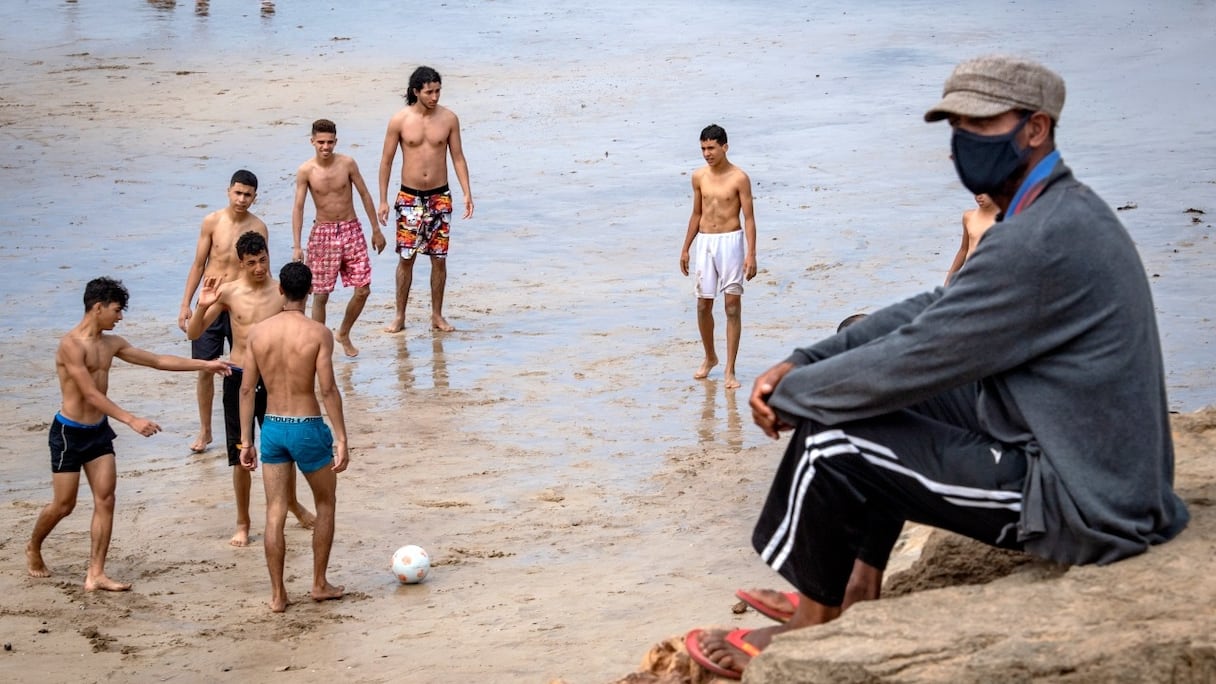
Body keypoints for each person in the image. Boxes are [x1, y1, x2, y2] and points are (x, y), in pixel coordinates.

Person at [684, 55, 1190, 680]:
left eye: (980, 126)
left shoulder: (1042, 238)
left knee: (833, 438)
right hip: (1078, 453)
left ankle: (817, 623)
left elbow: (925, 356)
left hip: (1084, 502)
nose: (962, 145)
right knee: (850, 348)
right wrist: (807, 360)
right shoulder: (1051, 212)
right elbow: (939, 307)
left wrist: (796, 395)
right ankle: (855, 588)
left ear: (1035, 129)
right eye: (955, 128)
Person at [28, 277, 232, 590]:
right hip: (69, 433)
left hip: (98, 433)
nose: (120, 317)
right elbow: (89, 395)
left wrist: (204, 364)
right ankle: (35, 547)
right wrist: (131, 420)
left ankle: (96, 573)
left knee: (106, 499)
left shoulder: (112, 343)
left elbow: (157, 360)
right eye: (117, 310)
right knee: (63, 505)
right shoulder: (71, 345)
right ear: (98, 308)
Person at [187, 231, 315, 546]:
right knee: (240, 453)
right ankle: (242, 522)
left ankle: (293, 504)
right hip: (238, 375)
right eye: (252, 263)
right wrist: (201, 306)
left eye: (263, 260)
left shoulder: (281, 292)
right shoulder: (229, 293)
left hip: (274, 378)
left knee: (282, 449)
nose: (259, 268)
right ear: (241, 264)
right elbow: (194, 333)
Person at [239, 262, 349, 613]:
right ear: (309, 290)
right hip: (307, 425)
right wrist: (342, 437)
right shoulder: (318, 333)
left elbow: (245, 390)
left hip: (272, 425)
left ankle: (277, 595)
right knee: (325, 504)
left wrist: (246, 441)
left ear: (281, 291)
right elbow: (328, 388)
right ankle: (318, 583)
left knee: (274, 511)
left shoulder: (257, 334)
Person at [378, 65, 474, 334]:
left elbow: (457, 157)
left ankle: (437, 315)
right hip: (409, 197)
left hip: (439, 197)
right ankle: (399, 316)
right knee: (406, 258)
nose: (435, 97)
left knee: (439, 259)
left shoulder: (449, 119)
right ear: (415, 91)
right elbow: (386, 162)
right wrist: (383, 200)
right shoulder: (399, 120)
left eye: (438, 91)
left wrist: (467, 191)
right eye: (429, 92)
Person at [177, 169, 267, 453]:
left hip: (241, 301)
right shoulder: (212, 221)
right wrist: (186, 304)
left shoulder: (258, 227)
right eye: (238, 193)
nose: (242, 199)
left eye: (248, 195)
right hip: (212, 301)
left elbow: (262, 267)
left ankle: (256, 426)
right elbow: (198, 264)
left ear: (255, 197)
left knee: (252, 364)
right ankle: (205, 431)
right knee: (205, 366)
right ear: (228, 191)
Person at [291, 119, 387, 358]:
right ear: (312, 141)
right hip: (322, 232)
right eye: (321, 142)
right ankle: (318, 345)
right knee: (321, 294)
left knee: (363, 289)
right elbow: (299, 207)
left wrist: (376, 229)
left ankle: (343, 332)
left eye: (330, 142)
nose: (326, 147)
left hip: (351, 229)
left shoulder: (347, 163)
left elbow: (364, 194)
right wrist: (297, 245)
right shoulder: (306, 170)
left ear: (336, 141)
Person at [679, 124, 758, 390]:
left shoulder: (739, 178)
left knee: (732, 306)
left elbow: (749, 218)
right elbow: (696, 214)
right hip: (705, 243)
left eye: (711, 148)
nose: (707, 153)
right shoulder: (698, 176)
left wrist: (751, 254)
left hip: (731, 242)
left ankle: (729, 369)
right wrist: (686, 247)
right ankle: (710, 356)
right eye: (703, 148)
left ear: (725, 147)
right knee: (703, 304)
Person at [944, 193, 999, 284]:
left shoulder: (1005, 219)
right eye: (976, 192)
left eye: (983, 192)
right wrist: (949, 279)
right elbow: (964, 250)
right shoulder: (969, 217)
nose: (979, 196)